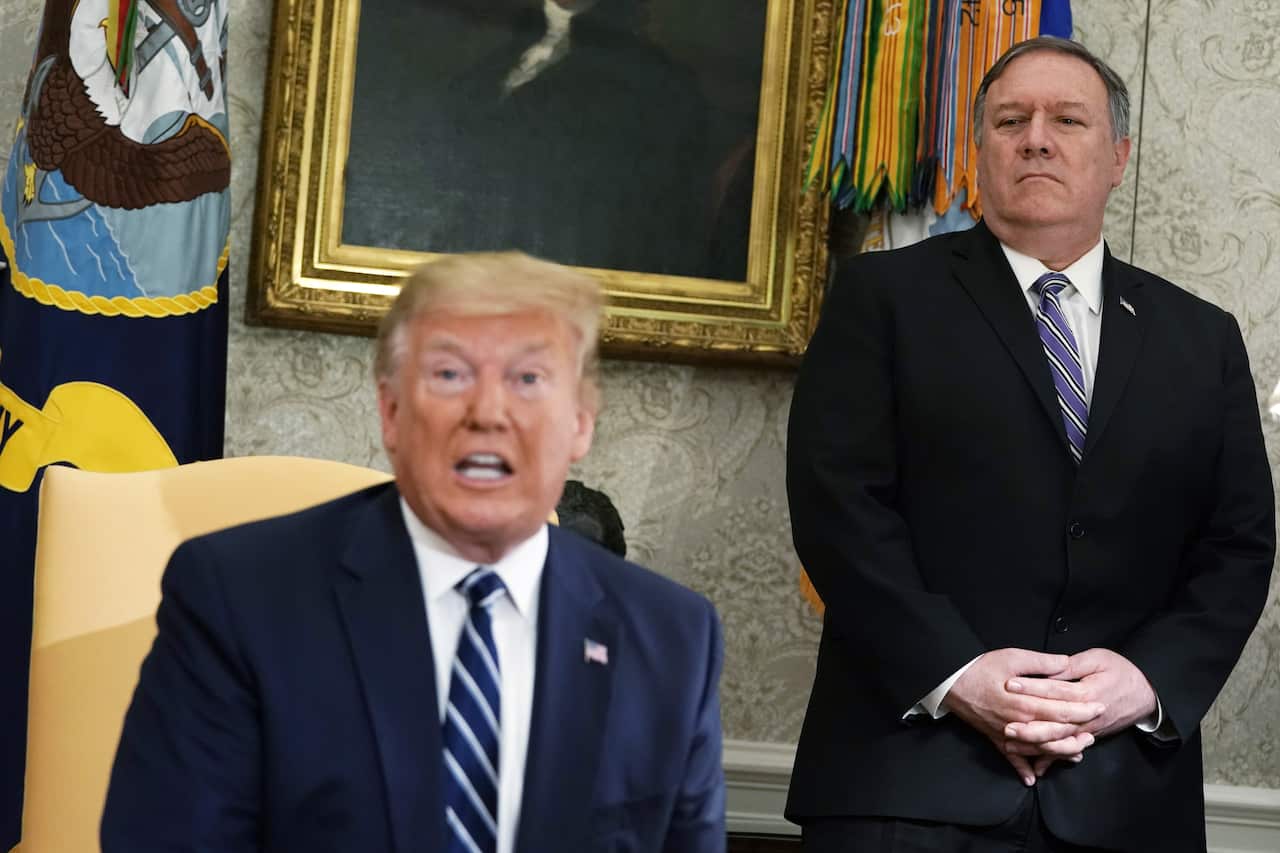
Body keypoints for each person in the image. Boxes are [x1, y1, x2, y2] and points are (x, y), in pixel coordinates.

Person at [785, 36, 1274, 853]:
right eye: (1011, 119)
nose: (1037, 136)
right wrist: (963, 676)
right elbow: (839, 510)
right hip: (908, 784)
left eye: (1067, 119)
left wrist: (1146, 681)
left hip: (1125, 793)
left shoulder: (1202, 338)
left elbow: (1237, 546)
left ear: (1117, 157)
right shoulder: (883, 298)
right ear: (980, 151)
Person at [101, 252, 726, 853]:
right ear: (393, 412)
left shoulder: (672, 638)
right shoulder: (239, 601)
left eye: (528, 379)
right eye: (450, 375)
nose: (488, 413)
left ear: (582, 423)